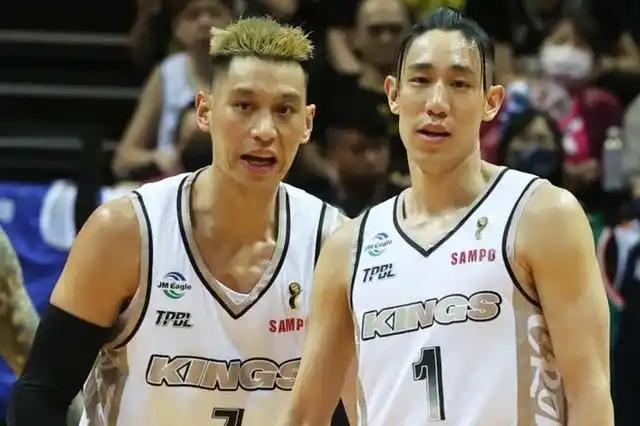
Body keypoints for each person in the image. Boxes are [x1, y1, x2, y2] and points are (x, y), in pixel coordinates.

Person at [8, 17, 348, 426]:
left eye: (284, 110)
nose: (264, 130)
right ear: (205, 111)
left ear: (307, 123)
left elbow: (357, 405)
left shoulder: (334, 244)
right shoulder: (125, 232)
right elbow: (41, 394)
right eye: (244, 106)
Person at [280, 7, 613, 425]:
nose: (437, 103)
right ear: (393, 94)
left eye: (459, 83)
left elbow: (590, 392)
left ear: (491, 102)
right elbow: (305, 415)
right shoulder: (348, 248)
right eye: (420, 80)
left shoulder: (542, 215)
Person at [113, 0, 234, 181]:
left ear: (232, 22)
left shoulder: (247, 70)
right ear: (177, 28)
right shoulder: (167, 73)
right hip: (174, 181)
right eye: (193, 15)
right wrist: (155, 158)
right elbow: (123, 159)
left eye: (214, 13)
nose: (205, 22)